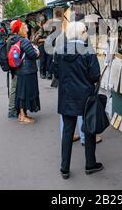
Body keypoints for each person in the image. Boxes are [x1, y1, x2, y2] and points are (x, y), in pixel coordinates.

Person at [52, 21, 103, 179]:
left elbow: (56, 73)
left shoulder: (59, 50)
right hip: (85, 96)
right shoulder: (88, 50)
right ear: (81, 33)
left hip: (67, 95)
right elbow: (95, 75)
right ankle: (90, 164)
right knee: (88, 130)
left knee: (67, 132)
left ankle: (64, 168)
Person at [12, 19, 41, 124]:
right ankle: (23, 116)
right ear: (21, 29)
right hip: (27, 71)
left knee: (21, 92)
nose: (28, 29)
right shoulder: (24, 41)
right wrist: (37, 51)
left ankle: (21, 114)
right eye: (25, 28)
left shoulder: (16, 39)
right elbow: (33, 55)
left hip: (21, 70)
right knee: (24, 93)